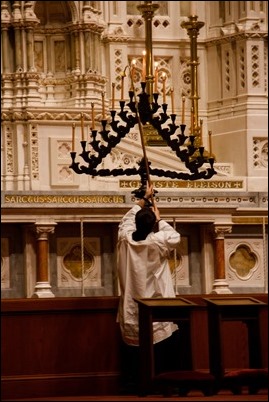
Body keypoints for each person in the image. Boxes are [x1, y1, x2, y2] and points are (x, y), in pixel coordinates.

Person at [116, 181, 181, 387]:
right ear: (152, 225)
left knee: (136, 350)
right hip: (157, 302)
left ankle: (137, 384)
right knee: (160, 346)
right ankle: (161, 384)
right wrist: (159, 219)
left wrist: (142, 200)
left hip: (132, 302)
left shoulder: (125, 239)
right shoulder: (158, 241)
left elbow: (125, 221)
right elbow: (174, 236)